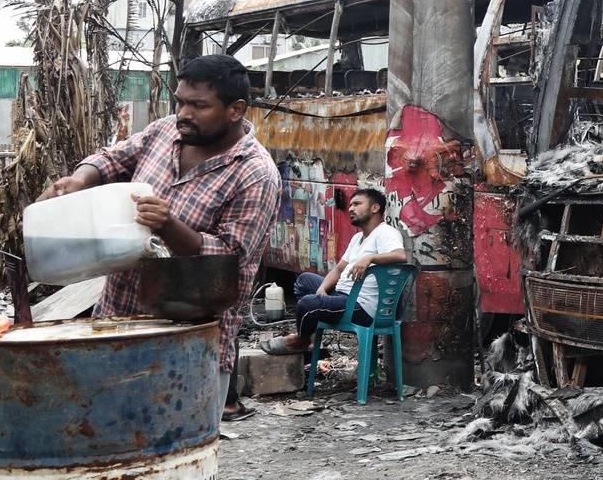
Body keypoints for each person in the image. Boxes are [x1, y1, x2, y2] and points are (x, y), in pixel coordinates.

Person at [41, 54, 282, 422]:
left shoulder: (255, 174)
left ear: (236, 110)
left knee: (176, 456)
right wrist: (80, 179)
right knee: (104, 445)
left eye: (198, 105)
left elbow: (231, 259)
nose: (184, 113)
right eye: (180, 101)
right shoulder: (165, 131)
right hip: (116, 324)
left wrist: (169, 226)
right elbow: (111, 159)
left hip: (187, 343)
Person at [264, 188, 406, 355]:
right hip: (343, 295)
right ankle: (311, 334)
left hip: (361, 307)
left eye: (357, 204)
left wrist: (370, 258)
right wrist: (323, 289)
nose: (351, 208)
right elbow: (339, 269)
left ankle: (302, 340)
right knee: (304, 280)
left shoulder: (385, 232)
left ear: (375, 208)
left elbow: (400, 255)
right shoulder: (357, 238)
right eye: (351, 204)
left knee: (308, 304)